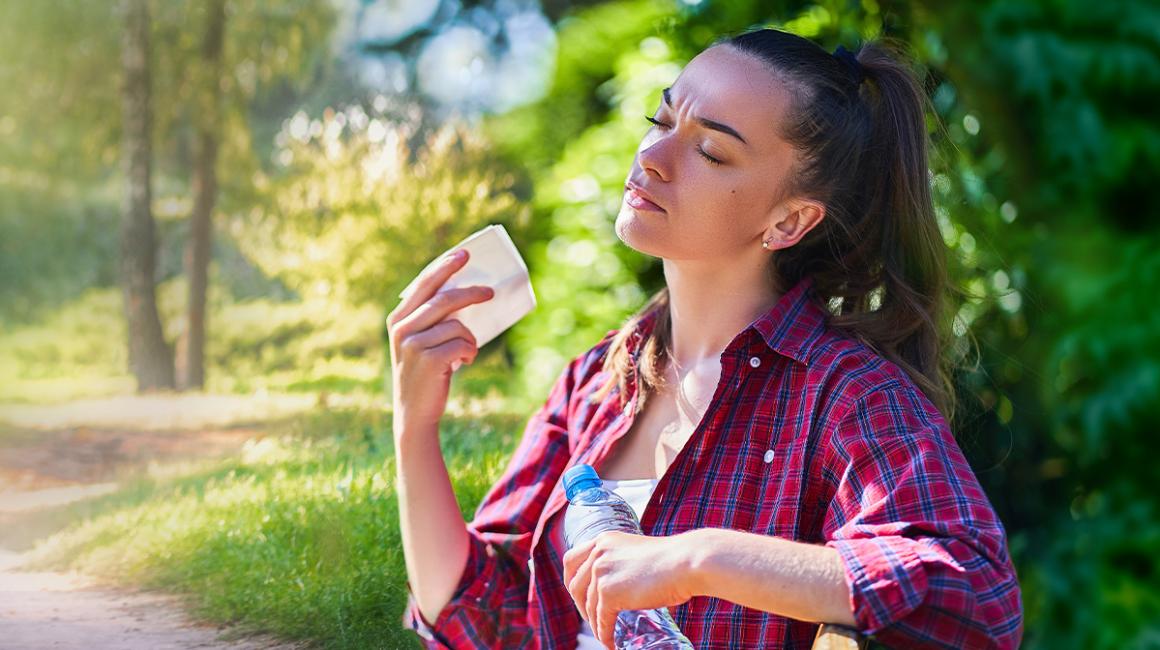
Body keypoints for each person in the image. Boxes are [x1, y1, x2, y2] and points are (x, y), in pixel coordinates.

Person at [390, 27, 1024, 650]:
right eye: (661, 121)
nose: (651, 157)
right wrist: (414, 427)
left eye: (711, 152)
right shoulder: (595, 381)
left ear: (788, 220)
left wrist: (696, 559)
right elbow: (489, 614)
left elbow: (975, 594)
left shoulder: (846, 394)